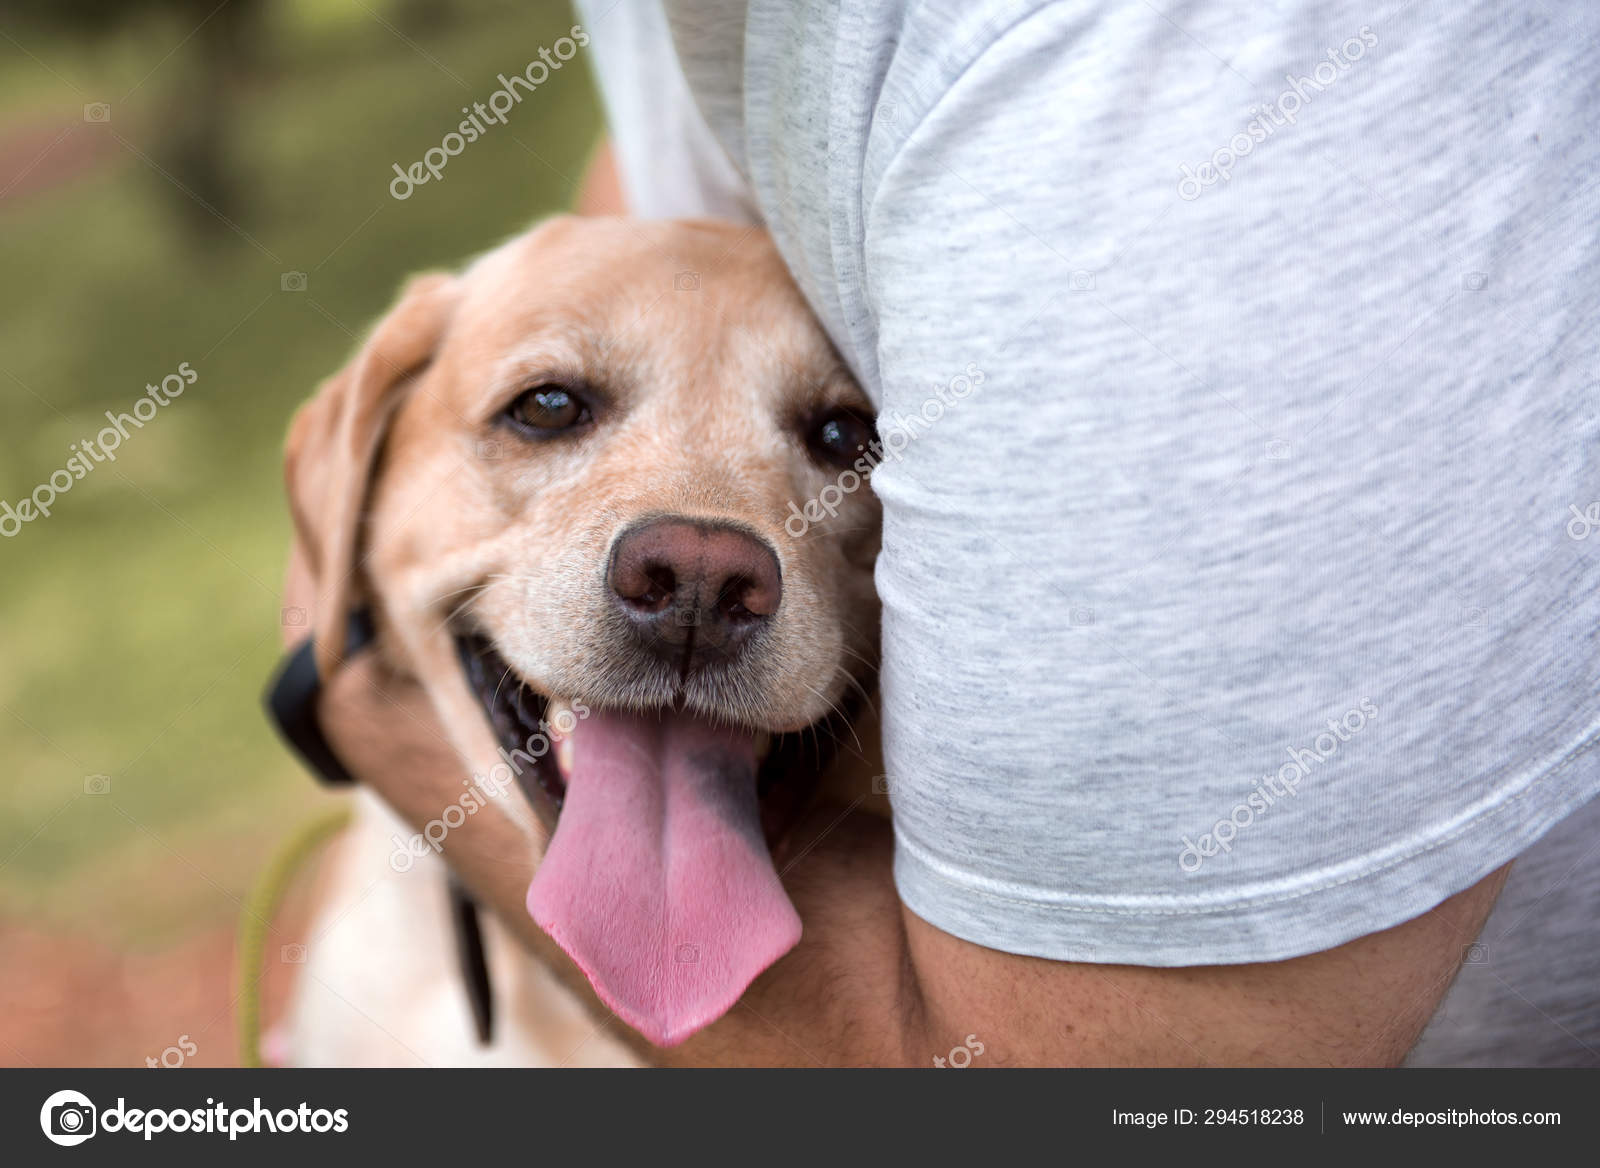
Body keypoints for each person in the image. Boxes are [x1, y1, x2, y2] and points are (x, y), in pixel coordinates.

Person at [313, 0, 1600, 1065]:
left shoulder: (1152, 85)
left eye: (839, 442)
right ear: (348, 469)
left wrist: (358, 709)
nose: (700, 550)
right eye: (550, 408)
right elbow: (643, 195)